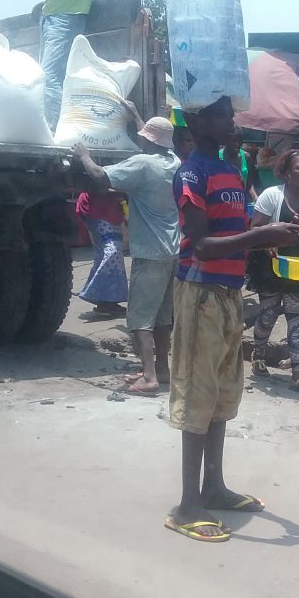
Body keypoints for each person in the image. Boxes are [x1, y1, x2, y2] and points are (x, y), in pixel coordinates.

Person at [167, 96, 299, 542]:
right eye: (220, 115)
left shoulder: (230, 170)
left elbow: (235, 234)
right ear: (195, 121)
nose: (231, 120)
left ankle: (214, 487)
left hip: (228, 292)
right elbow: (203, 245)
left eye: (230, 113)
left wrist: (271, 237)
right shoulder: (192, 174)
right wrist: (262, 234)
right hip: (200, 292)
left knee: (223, 393)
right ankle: (187, 506)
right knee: (198, 395)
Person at [73, 117, 180, 396]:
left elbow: (99, 177)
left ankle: (149, 376)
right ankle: (162, 369)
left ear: (147, 139)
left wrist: (84, 155)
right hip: (174, 250)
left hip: (150, 251)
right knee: (163, 316)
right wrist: (135, 114)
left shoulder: (142, 164)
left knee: (139, 318)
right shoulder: (175, 162)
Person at [39, 0, 143, 128]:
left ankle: (53, 130)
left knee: (50, 75)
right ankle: (53, 124)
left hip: (66, 19)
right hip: (49, 20)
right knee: (47, 76)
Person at [249, 150, 299, 395]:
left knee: (297, 319)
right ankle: (258, 354)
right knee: (268, 315)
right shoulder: (271, 196)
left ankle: (297, 374)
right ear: (286, 173)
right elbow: (254, 228)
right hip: (271, 264)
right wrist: (270, 238)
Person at [75, 188, 127, 315]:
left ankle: (108, 302)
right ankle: (98, 296)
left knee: (107, 255)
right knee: (112, 252)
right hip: (97, 209)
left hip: (112, 210)